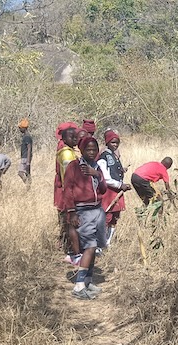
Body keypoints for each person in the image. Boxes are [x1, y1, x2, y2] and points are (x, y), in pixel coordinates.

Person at [62, 136, 106, 300]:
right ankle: (79, 287)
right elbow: (68, 190)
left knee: (95, 247)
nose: (92, 152)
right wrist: (72, 212)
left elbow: (103, 189)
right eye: (88, 149)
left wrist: (97, 174)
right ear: (81, 150)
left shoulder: (96, 167)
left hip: (97, 210)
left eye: (94, 149)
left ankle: (87, 281)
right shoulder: (74, 167)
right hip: (82, 210)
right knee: (90, 246)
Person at [97, 129, 130, 247]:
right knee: (107, 217)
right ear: (107, 142)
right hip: (109, 192)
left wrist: (121, 170)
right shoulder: (103, 157)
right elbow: (106, 178)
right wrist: (121, 185)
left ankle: (108, 242)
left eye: (117, 142)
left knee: (115, 218)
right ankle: (100, 243)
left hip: (118, 191)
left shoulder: (115, 156)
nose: (115, 145)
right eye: (113, 142)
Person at [54, 122, 82, 264]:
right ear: (64, 138)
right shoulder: (66, 153)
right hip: (68, 191)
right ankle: (72, 252)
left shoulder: (69, 151)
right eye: (72, 136)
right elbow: (68, 176)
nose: (75, 139)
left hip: (67, 190)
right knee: (70, 221)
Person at [17, 118, 32, 186]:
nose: (19, 129)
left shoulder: (27, 137)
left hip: (25, 158)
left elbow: (29, 149)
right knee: (27, 173)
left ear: (24, 128)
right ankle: (29, 188)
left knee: (20, 172)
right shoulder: (26, 136)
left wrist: (28, 162)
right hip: (26, 157)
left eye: (20, 128)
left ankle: (28, 185)